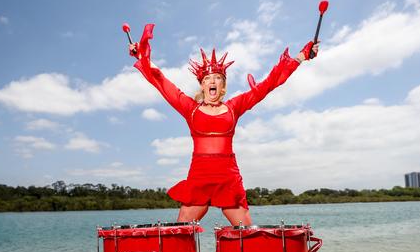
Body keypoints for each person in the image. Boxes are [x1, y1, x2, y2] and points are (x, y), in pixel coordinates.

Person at [129, 24, 318, 226]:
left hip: (228, 178)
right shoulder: (189, 108)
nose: (213, 81)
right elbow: (162, 82)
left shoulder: (234, 107)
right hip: (199, 178)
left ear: (223, 86)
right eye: (208, 78)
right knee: (180, 231)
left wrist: (301, 56)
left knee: (247, 232)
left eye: (218, 78)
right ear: (202, 85)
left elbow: (268, 84)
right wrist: (141, 56)